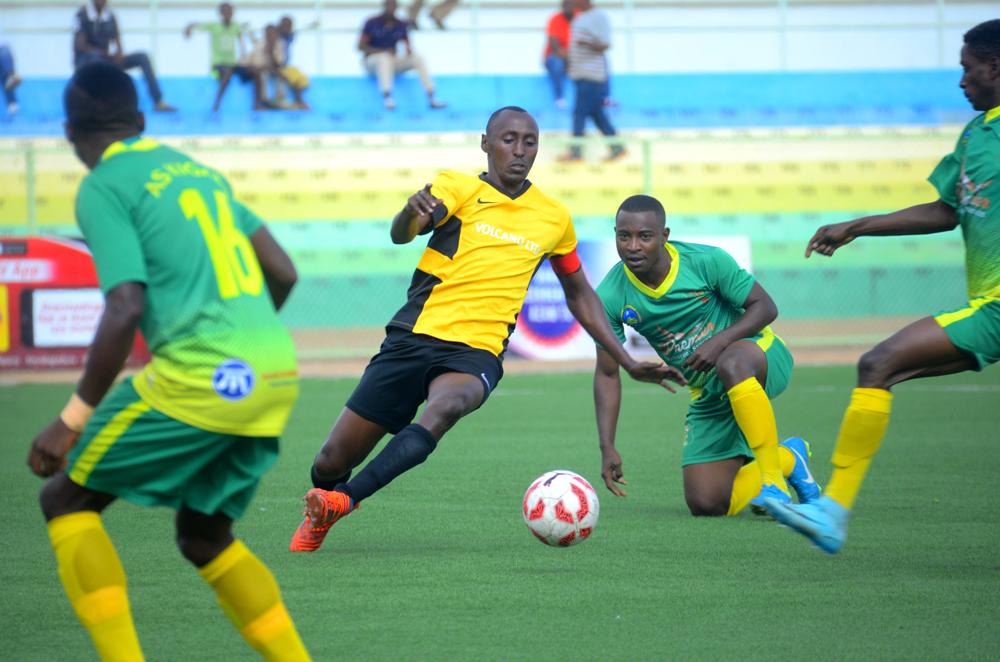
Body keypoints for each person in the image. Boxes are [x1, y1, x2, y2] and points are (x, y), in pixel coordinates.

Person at [289, 107, 686, 552]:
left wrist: (627, 359)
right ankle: (327, 496)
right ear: (485, 143)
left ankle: (343, 501)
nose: (519, 151)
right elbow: (404, 234)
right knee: (329, 461)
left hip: (476, 353)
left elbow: (579, 293)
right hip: (413, 336)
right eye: (508, 139)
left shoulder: (553, 217)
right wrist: (407, 213)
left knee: (446, 407)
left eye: (529, 142)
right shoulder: (455, 186)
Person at [29, 61, 309, 660]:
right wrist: (246, 345)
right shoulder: (200, 174)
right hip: (274, 370)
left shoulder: (104, 185)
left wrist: (71, 418)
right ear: (139, 119)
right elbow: (283, 271)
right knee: (204, 536)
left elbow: (125, 305)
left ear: (72, 132)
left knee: (65, 500)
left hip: (203, 375)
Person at [763, 19, 1000, 553]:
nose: (961, 81)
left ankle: (833, 512)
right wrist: (858, 227)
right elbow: (946, 210)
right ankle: (831, 513)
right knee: (881, 366)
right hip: (989, 306)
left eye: (967, 70)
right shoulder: (976, 135)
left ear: (995, 66)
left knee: (878, 362)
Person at [593, 195, 821, 516]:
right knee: (707, 503)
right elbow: (606, 372)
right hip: (708, 392)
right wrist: (607, 446)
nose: (633, 246)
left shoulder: (705, 261)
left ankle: (772, 481)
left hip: (760, 358)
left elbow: (766, 307)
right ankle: (787, 458)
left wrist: (720, 342)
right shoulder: (610, 295)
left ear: (664, 236)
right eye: (623, 236)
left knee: (731, 361)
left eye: (645, 236)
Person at [73, 0, 176, 111]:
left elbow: (118, 43)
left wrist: (119, 55)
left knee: (142, 57)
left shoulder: (110, 17)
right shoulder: (82, 15)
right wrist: (105, 54)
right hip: (86, 62)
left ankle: (158, 102)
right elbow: (80, 46)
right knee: (96, 59)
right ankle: (100, 104)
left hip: (105, 60)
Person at [561, 0, 623, 162]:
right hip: (581, 75)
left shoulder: (598, 17)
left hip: (592, 76)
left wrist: (585, 43)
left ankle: (576, 153)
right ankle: (618, 148)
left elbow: (605, 44)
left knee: (579, 114)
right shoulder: (582, 17)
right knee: (597, 114)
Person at [359, 0, 446, 111]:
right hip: (372, 62)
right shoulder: (372, 22)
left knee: (418, 58)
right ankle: (387, 97)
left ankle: (432, 97)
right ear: (384, 6)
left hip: (391, 61)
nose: (391, 8)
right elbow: (361, 47)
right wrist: (382, 51)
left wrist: (409, 52)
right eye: (389, 5)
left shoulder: (400, 24)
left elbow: (407, 45)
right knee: (384, 58)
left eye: (393, 6)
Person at [184, 2, 254, 112]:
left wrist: (244, 52)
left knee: (253, 71)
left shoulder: (236, 25)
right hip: (216, 67)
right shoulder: (214, 26)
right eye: (225, 12)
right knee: (226, 73)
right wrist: (188, 28)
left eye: (230, 11)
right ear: (220, 14)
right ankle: (216, 103)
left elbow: (242, 38)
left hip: (232, 64)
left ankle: (258, 105)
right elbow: (194, 25)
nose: (228, 14)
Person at [543, 0, 574, 110]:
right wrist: (573, 59)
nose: (569, 7)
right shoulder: (555, 19)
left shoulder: (580, 18)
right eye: (566, 4)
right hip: (555, 58)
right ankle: (559, 98)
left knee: (600, 61)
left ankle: (606, 98)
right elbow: (556, 49)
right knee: (557, 63)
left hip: (573, 58)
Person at [0, 29, 19, 115]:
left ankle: (13, 105)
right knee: (8, 79)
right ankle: (13, 105)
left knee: (8, 78)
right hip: (5, 50)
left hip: (4, 51)